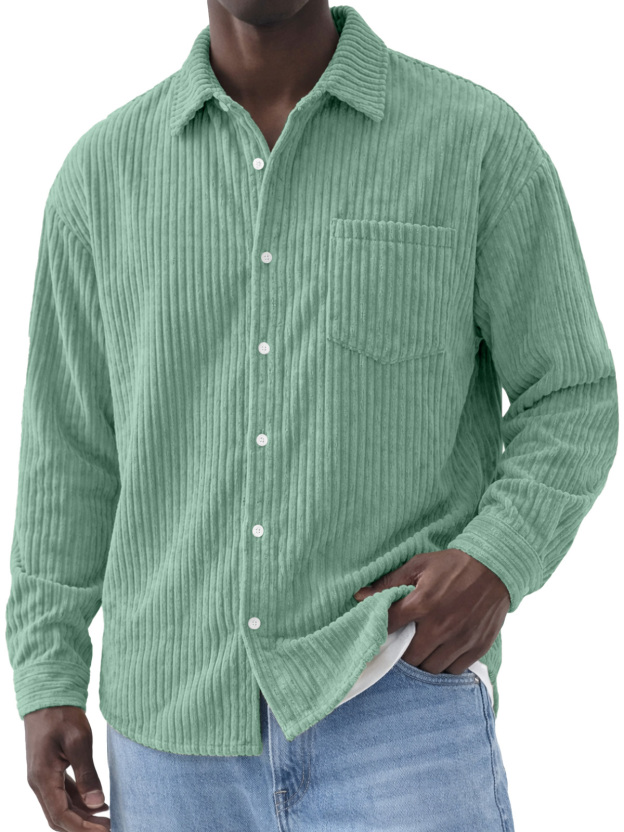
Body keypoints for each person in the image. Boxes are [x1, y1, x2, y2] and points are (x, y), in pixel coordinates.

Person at [5, 1, 618, 830]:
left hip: (396, 696)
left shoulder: (474, 143)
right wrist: (47, 675)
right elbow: (70, 451)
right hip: (171, 734)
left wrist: (498, 559)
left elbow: (571, 392)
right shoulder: (100, 176)